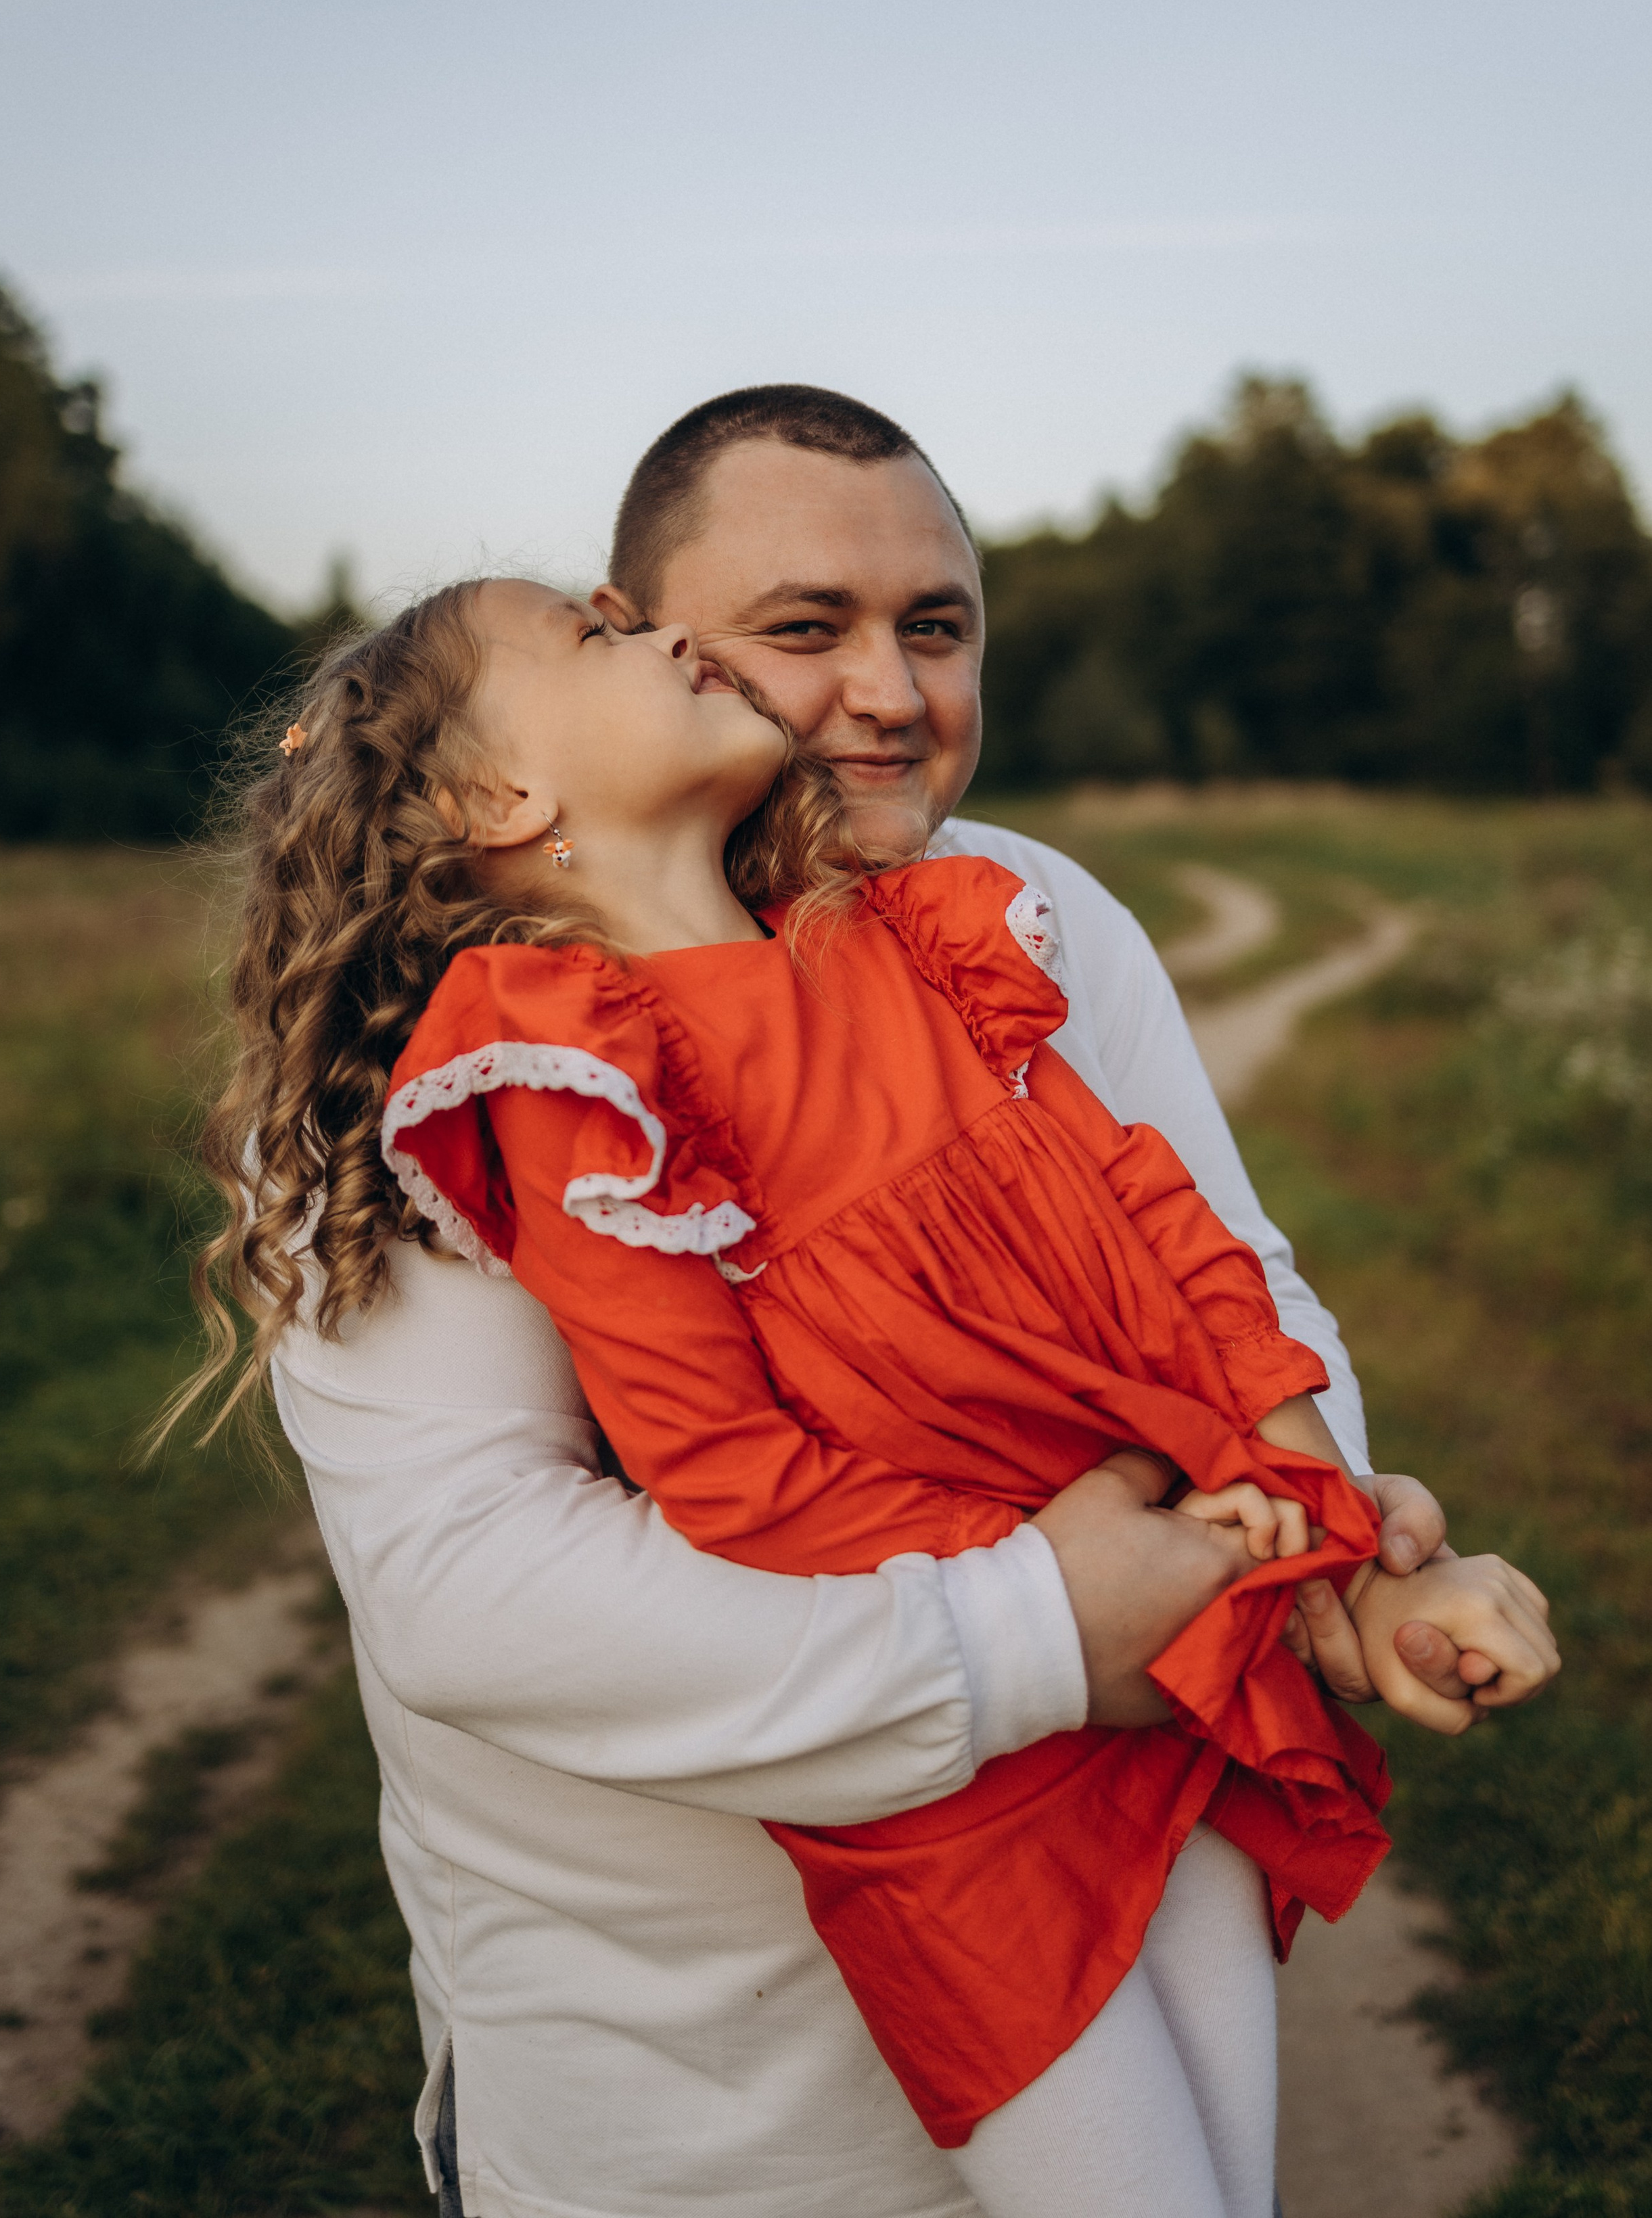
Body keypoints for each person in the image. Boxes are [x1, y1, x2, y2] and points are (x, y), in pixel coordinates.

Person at [184, 389, 1556, 2218]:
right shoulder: (465, 1047)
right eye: (805, 627)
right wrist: (1047, 1622)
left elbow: (1215, 1274)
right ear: (653, 637)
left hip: (1146, 1845)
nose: (892, 693)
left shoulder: (1017, 917)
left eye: (939, 625)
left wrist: (1321, 1558)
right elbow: (473, 1588)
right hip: (688, 2115)